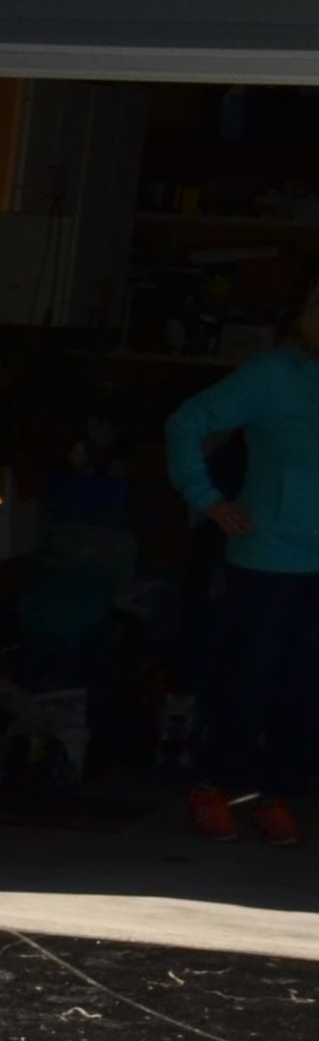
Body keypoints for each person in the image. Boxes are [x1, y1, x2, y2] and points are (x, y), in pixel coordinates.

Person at [165, 282, 319, 844]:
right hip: (268, 557)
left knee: (304, 688)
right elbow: (186, 421)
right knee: (249, 681)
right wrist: (206, 498)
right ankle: (212, 787)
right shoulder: (274, 375)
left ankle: (273, 794)